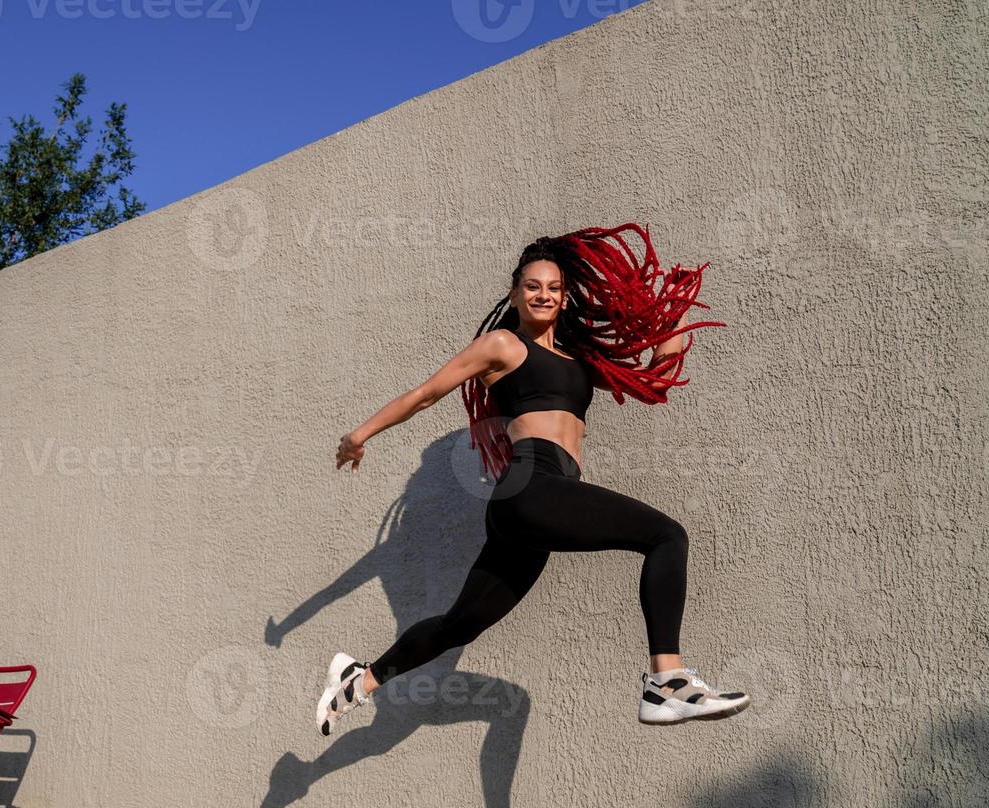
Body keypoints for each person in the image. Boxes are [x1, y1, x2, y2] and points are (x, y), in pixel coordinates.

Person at [319, 225, 751, 736]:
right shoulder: (502, 346)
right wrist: (360, 433)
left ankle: (357, 681)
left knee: (460, 624)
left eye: (553, 287)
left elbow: (656, 381)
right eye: (532, 286)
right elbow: (424, 394)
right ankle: (667, 683)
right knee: (666, 536)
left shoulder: (579, 360)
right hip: (530, 486)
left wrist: (673, 318)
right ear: (514, 293)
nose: (543, 294)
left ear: (565, 297)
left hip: (534, 509)